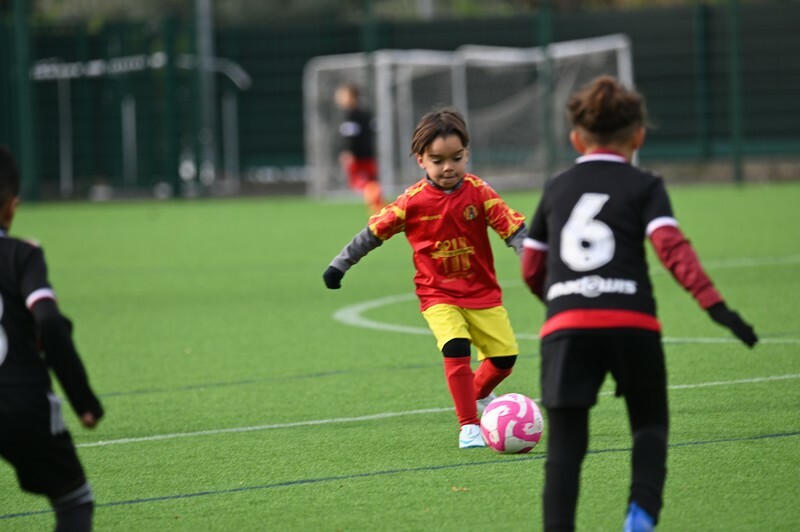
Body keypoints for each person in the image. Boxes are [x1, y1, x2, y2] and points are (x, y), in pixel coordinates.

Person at [521, 76, 758, 531]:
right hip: (633, 325)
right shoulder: (646, 184)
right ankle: (640, 518)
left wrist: (561, 299)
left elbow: (532, 267)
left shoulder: (556, 187)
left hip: (566, 327)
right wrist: (716, 307)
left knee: (565, 450)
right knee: (649, 428)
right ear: (639, 136)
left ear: (576, 139)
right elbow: (672, 248)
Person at [323, 108, 527, 448]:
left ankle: (476, 394)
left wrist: (532, 261)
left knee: (504, 361)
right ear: (421, 160)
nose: (448, 167)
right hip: (437, 294)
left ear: (466, 153)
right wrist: (339, 265)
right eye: (437, 160)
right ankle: (469, 426)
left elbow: (514, 229)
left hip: (482, 294)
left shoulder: (479, 193)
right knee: (455, 346)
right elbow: (372, 234)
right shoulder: (411, 202)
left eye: (456, 158)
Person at [0, 146, 104, 531]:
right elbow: (49, 321)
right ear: (11, 207)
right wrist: (83, 401)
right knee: (73, 500)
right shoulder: (21, 256)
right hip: (23, 401)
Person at [334, 82, 384, 214]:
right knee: (370, 182)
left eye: (343, 95)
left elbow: (352, 137)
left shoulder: (351, 115)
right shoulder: (365, 113)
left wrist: (348, 152)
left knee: (363, 183)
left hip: (358, 157)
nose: (340, 98)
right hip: (369, 154)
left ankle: (378, 208)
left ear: (352, 97)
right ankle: (378, 208)